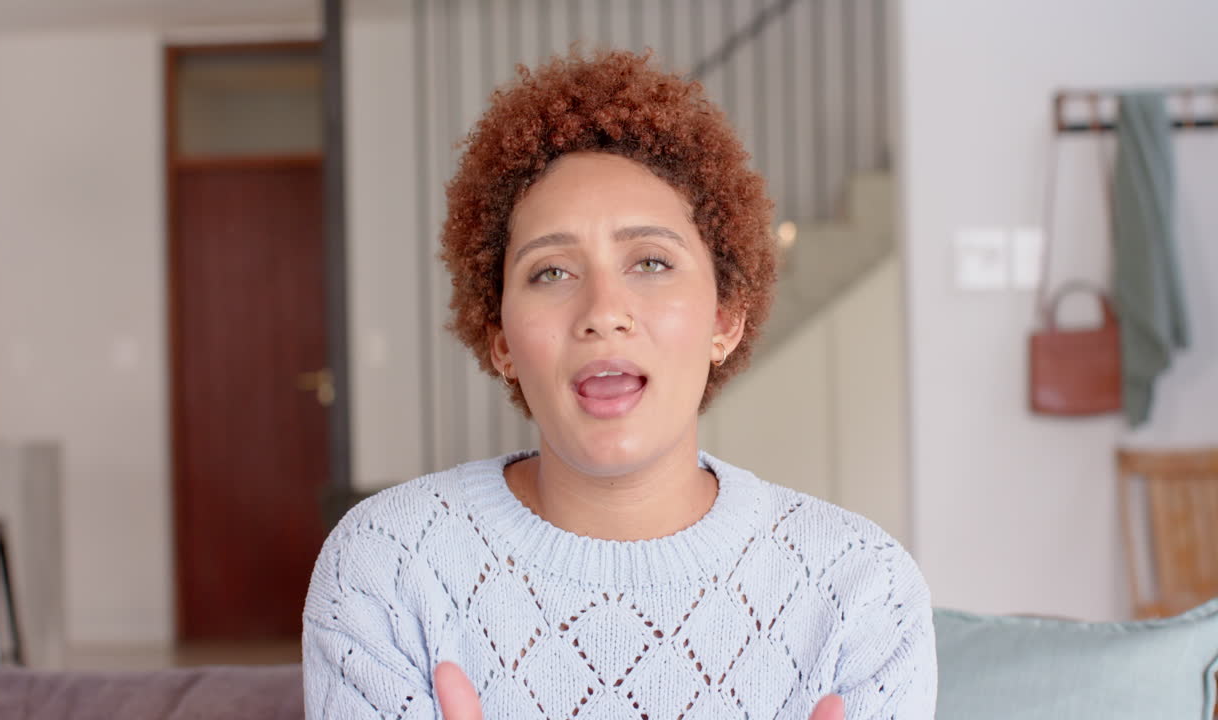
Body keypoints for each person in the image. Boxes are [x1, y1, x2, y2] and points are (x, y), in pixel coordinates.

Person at [302, 50, 936, 719]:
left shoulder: (864, 586)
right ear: (501, 340)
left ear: (724, 320)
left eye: (652, 261)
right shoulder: (387, 565)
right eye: (551, 272)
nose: (604, 310)